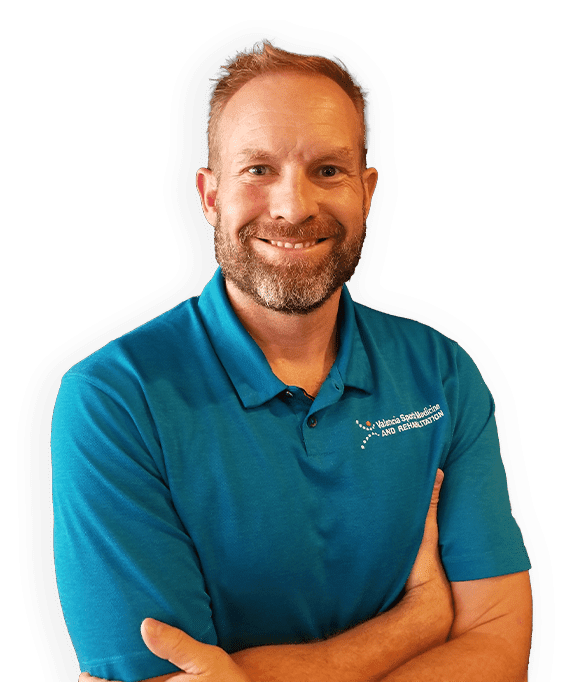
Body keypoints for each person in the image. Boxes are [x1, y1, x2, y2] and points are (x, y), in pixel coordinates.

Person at [51, 40, 532, 682]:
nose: (293, 207)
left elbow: (499, 646)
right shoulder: (112, 398)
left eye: (328, 170)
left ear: (367, 193)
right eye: (258, 169)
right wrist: (415, 621)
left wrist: (246, 674)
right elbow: (161, 678)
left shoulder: (443, 372)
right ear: (210, 196)